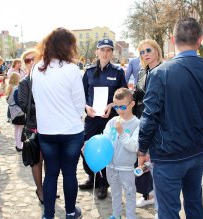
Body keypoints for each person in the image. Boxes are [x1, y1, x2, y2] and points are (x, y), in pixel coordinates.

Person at [138, 17, 203, 219]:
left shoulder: (160, 74)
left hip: (169, 156)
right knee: (194, 203)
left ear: (172, 39)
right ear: (200, 39)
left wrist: (142, 149)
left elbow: (149, 116)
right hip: (195, 151)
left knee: (168, 211)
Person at [32, 28, 86, 219]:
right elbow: (80, 103)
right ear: (67, 46)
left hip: (47, 131)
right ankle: (71, 212)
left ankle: (48, 214)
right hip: (71, 130)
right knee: (70, 173)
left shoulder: (36, 69)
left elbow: (37, 99)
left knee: (51, 174)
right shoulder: (71, 69)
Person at [80, 38, 127, 199]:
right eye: (103, 50)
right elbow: (81, 95)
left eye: (109, 50)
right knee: (85, 147)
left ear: (112, 53)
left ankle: (103, 184)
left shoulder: (118, 72)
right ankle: (92, 177)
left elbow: (124, 95)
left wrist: (112, 105)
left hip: (110, 119)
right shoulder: (88, 71)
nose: (106, 53)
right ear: (97, 52)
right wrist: (86, 107)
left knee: (108, 150)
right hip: (92, 118)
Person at [133, 39, 162, 218]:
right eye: (142, 52)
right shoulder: (143, 72)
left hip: (159, 127)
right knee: (143, 164)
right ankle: (149, 195)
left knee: (158, 168)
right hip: (143, 123)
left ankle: (160, 208)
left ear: (157, 50)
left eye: (148, 50)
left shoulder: (165, 70)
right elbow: (137, 95)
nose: (145, 54)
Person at [104, 88, 139, 219]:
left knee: (130, 194)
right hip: (111, 167)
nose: (120, 110)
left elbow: (135, 146)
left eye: (123, 106)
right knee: (115, 193)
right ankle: (116, 214)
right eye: (116, 107)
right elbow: (105, 140)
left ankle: (130, 216)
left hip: (126, 168)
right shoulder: (112, 122)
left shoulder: (137, 124)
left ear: (132, 104)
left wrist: (122, 133)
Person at [18, 48, 45, 204]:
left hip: (50, 125)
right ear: (25, 64)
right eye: (27, 60)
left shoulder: (48, 79)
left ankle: (48, 187)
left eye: (34, 58)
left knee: (51, 160)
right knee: (37, 160)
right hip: (34, 126)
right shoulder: (24, 82)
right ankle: (40, 190)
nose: (31, 62)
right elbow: (23, 105)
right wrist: (45, 106)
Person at [6, 72, 25, 151]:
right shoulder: (17, 88)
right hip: (19, 111)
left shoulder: (10, 88)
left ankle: (17, 144)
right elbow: (18, 101)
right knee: (20, 129)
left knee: (16, 129)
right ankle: (19, 145)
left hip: (13, 111)